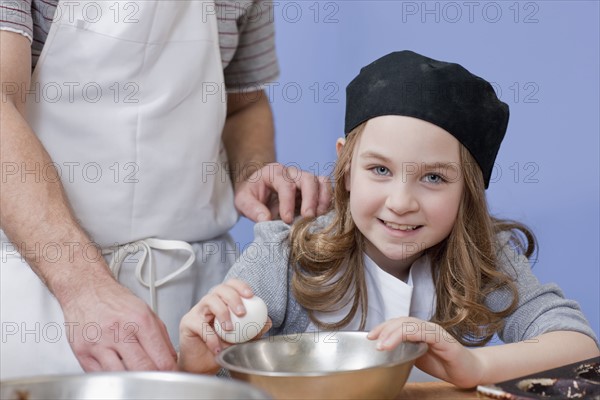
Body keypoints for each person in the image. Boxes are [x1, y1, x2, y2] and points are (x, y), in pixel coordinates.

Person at [179, 50, 600, 386]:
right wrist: (198, 366)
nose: (401, 202)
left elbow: (578, 345)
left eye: (434, 177)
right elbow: (224, 376)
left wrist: (473, 366)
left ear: (467, 191)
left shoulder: (485, 255)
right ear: (345, 164)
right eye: (380, 170)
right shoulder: (285, 255)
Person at [0, 0, 331, 378]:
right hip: (45, 293)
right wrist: (84, 289)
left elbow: (243, 102)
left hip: (202, 300)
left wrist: (251, 171)